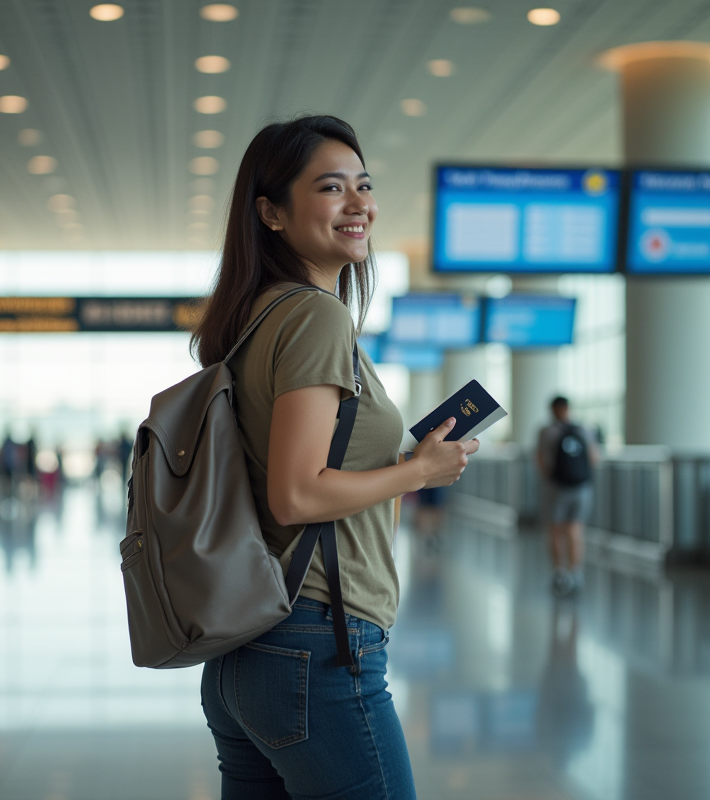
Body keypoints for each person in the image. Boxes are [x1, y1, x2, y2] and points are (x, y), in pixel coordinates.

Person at [190, 115, 478, 799]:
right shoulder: (316, 316)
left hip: (245, 654)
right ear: (272, 213)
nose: (359, 205)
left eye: (364, 185)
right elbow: (297, 493)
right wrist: (420, 472)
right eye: (330, 187)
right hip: (316, 640)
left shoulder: (254, 317)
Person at [536, 396, 599, 596]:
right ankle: (576, 573)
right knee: (575, 530)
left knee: (555, 531)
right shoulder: (584, 429)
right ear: (568, 409)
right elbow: (594, 458)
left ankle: (558, 572)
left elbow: (540, 459)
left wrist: (550, 477)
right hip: (582, 488)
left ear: (552, 410)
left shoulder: (546, 431)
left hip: (557, 487)